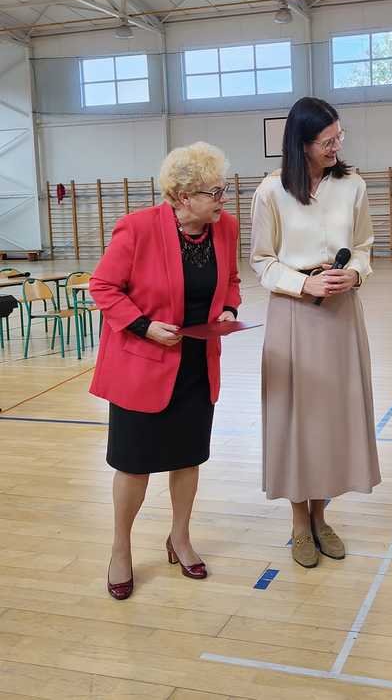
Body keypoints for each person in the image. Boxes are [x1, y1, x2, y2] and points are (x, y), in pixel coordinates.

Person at [89, 142, 241, 600]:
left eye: (223, 189)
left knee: (187, 458)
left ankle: (180, 536)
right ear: (181, 197)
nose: (223, 200)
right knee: (134, 466)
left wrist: (230, 309)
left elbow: (231, 279)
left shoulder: (225, 227)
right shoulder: (137, 229)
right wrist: (143, 326)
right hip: (143, 366)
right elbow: (103, 286)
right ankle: (120, 548)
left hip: (196, 364)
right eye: (214, 192)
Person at [250, 97, 380, 568]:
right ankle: (298, 521)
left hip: (341, 313)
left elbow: (364, 247)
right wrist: (303, 283)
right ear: (300, 144)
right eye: (327, 141)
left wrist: (356, 275)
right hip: (293, 313)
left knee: (333, 417)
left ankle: (322, 515)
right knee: (295, 418)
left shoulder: (354, 186)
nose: (336, 146)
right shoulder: (270, 192)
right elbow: (261, 261)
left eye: (339, 137)